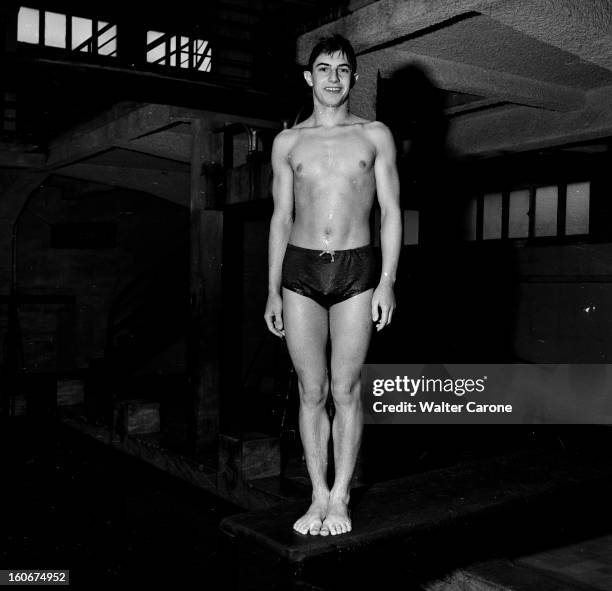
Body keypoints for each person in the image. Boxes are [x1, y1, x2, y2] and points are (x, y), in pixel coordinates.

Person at [264, 34, 401, 536]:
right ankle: (316, 494)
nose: (333, 78)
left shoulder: (375, 135)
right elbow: (280, 219)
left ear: (354, 78)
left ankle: (341, 498)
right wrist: (272, 289)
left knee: (345, 388)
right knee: (311, 389)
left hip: (357, 269)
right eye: (324, 69)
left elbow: (390, 212)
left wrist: (387, 281)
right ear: (309, 76)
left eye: (343, 70)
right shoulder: (287, 142)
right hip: (300, 270)